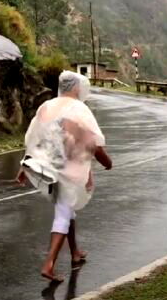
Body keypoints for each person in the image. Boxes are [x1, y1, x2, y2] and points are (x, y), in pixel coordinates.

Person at [17, 70, 113, 283]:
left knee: (66, 209)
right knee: (63, 213)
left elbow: (35, 137)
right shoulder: (79, 109)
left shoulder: (47, 106)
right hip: (68, 170)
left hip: (49, 167)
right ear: (77, 88)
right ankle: (48, 265)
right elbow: (92, 143)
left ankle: (75, 252)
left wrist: (25, 164)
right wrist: (107, 162)